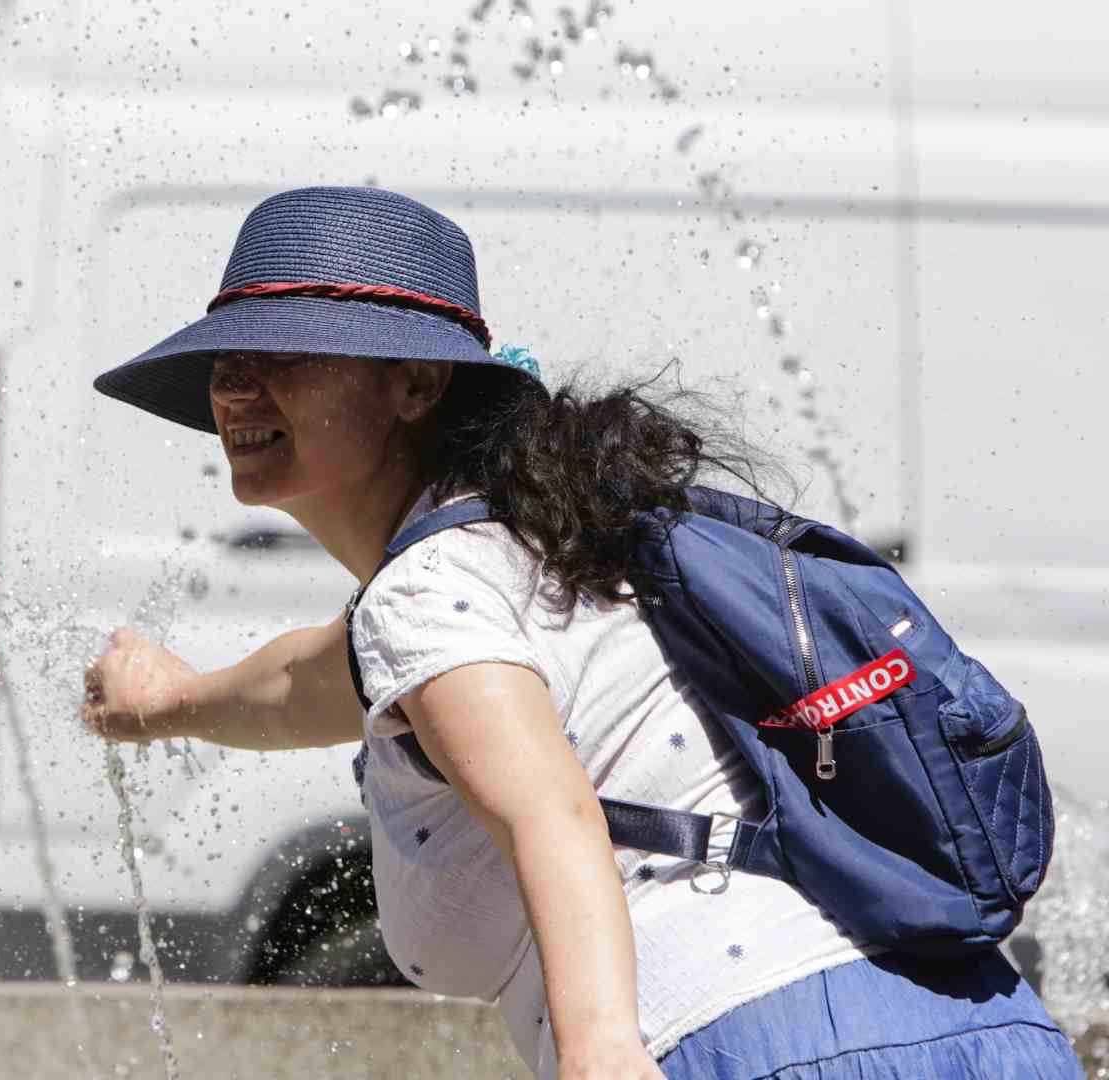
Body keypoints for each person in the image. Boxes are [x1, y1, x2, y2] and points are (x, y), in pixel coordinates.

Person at [83, 186, 1082, 1079]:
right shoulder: (546, 548)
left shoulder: (431, 592)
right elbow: (316, 678)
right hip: (979, 1026)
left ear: (417, 386)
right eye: (227, 362)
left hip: (757, 1042)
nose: (234, 389)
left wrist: (601, 1044)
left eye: (284, 357)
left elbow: (549, 811)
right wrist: (166, 700)